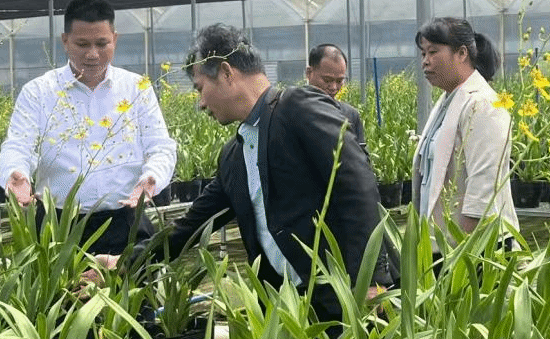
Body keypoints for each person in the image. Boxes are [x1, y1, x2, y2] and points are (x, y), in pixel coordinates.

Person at [134, 24, 394, 322]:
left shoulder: (298, 107)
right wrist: (128, 261)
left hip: (346, 295)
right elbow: (190, 226)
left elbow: (358, 187)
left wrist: (371, 278)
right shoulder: (234, 156)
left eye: (200, 88)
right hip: (291, 308)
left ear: (226, 73)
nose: (201, 103)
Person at [0, 0, 176, 254]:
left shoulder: (137, 88)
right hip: (58, 227)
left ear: (115, 39)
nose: (92, 54)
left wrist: (151, 179)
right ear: (65, 41)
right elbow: (18, 144)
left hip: (124, 220)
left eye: (102, 44)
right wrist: (16, 173)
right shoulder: (39, 92)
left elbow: (160, 146)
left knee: (134, 279)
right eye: (82, 44)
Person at [412, 17, 518, 252]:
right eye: (423, 53)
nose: (425, 61)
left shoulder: (484, 104)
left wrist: (463, 249)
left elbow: (485, 183)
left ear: (461, 53)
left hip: (476, 246)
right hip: (443, 244)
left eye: (433, 52)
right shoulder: (448, 100)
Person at [305, 43, 365, 147]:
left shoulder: (350, 115)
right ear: (309, 73)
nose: (333, 87)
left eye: (339, 81)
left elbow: (360, 153)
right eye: (327, 80)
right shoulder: (290, 111)